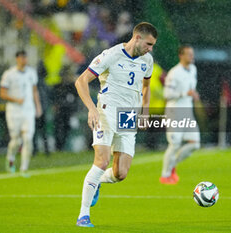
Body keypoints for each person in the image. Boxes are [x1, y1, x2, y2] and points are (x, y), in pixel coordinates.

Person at [75, 22, 157, 227]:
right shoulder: (111, 55)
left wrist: (145, 111)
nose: (150, 49)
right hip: (106, 110)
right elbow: (81, 81)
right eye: (148, 44)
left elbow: (146, 87)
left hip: (128, 116)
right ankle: (83, 215)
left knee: (120, 174)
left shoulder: (147, 60)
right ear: (137, 38)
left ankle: (98, 182)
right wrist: (92, 109)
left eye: (153, 45)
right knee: (102, 161)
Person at [159, 45, 201, 185]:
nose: (191, 56)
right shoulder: (174, 73)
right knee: (174, 144)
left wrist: (192, 95)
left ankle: (172, 166)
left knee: (195, 144)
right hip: (174, 112)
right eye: (188, 54)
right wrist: (184, 94)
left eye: (192, 54)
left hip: (187, 112)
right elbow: (167, 94)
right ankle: (165, 175)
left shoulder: (193, 69)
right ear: (181, 56)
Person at [0, 50, 42, 176]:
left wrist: (38, 106)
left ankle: (24, 168)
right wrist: (16, 99)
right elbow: (2, 93)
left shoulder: (31, 73)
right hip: (14, 110)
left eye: (25, 57)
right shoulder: (9, 74)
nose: (24, 60)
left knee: (28, 138)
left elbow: (35, 91)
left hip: (28, 110)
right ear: (17, 59)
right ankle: (11, 159)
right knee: (16, 140)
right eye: (22, 57)